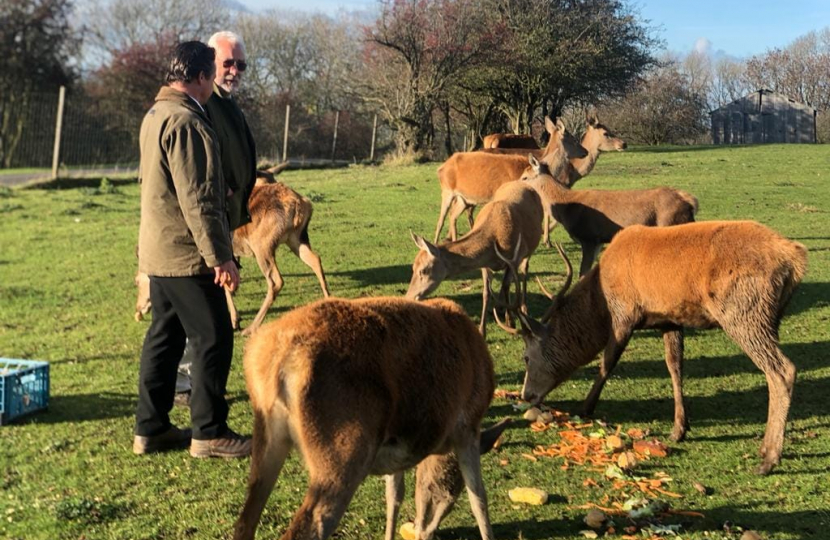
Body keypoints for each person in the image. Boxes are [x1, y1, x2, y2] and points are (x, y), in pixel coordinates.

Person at [133, 41, 251, 459]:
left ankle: (150, 428)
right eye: (212, 76)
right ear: (201, 76)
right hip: (186, 254)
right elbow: (198, 199)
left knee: (164, 337)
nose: (213, 85)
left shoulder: (155, 114)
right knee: (214, 336)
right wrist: (221, 257)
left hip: (158, 251)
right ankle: (210, 432)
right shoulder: (187, 121)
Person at [173, 30, 257, 407]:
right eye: (227, 63)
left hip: (223, 216)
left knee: (189, 309)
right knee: (200, 310)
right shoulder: (203, 103)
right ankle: (189, 386)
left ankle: (185, 384)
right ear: (209, 64)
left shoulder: (225, 102)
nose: (235, 71)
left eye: (241, 64)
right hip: (206, 218)